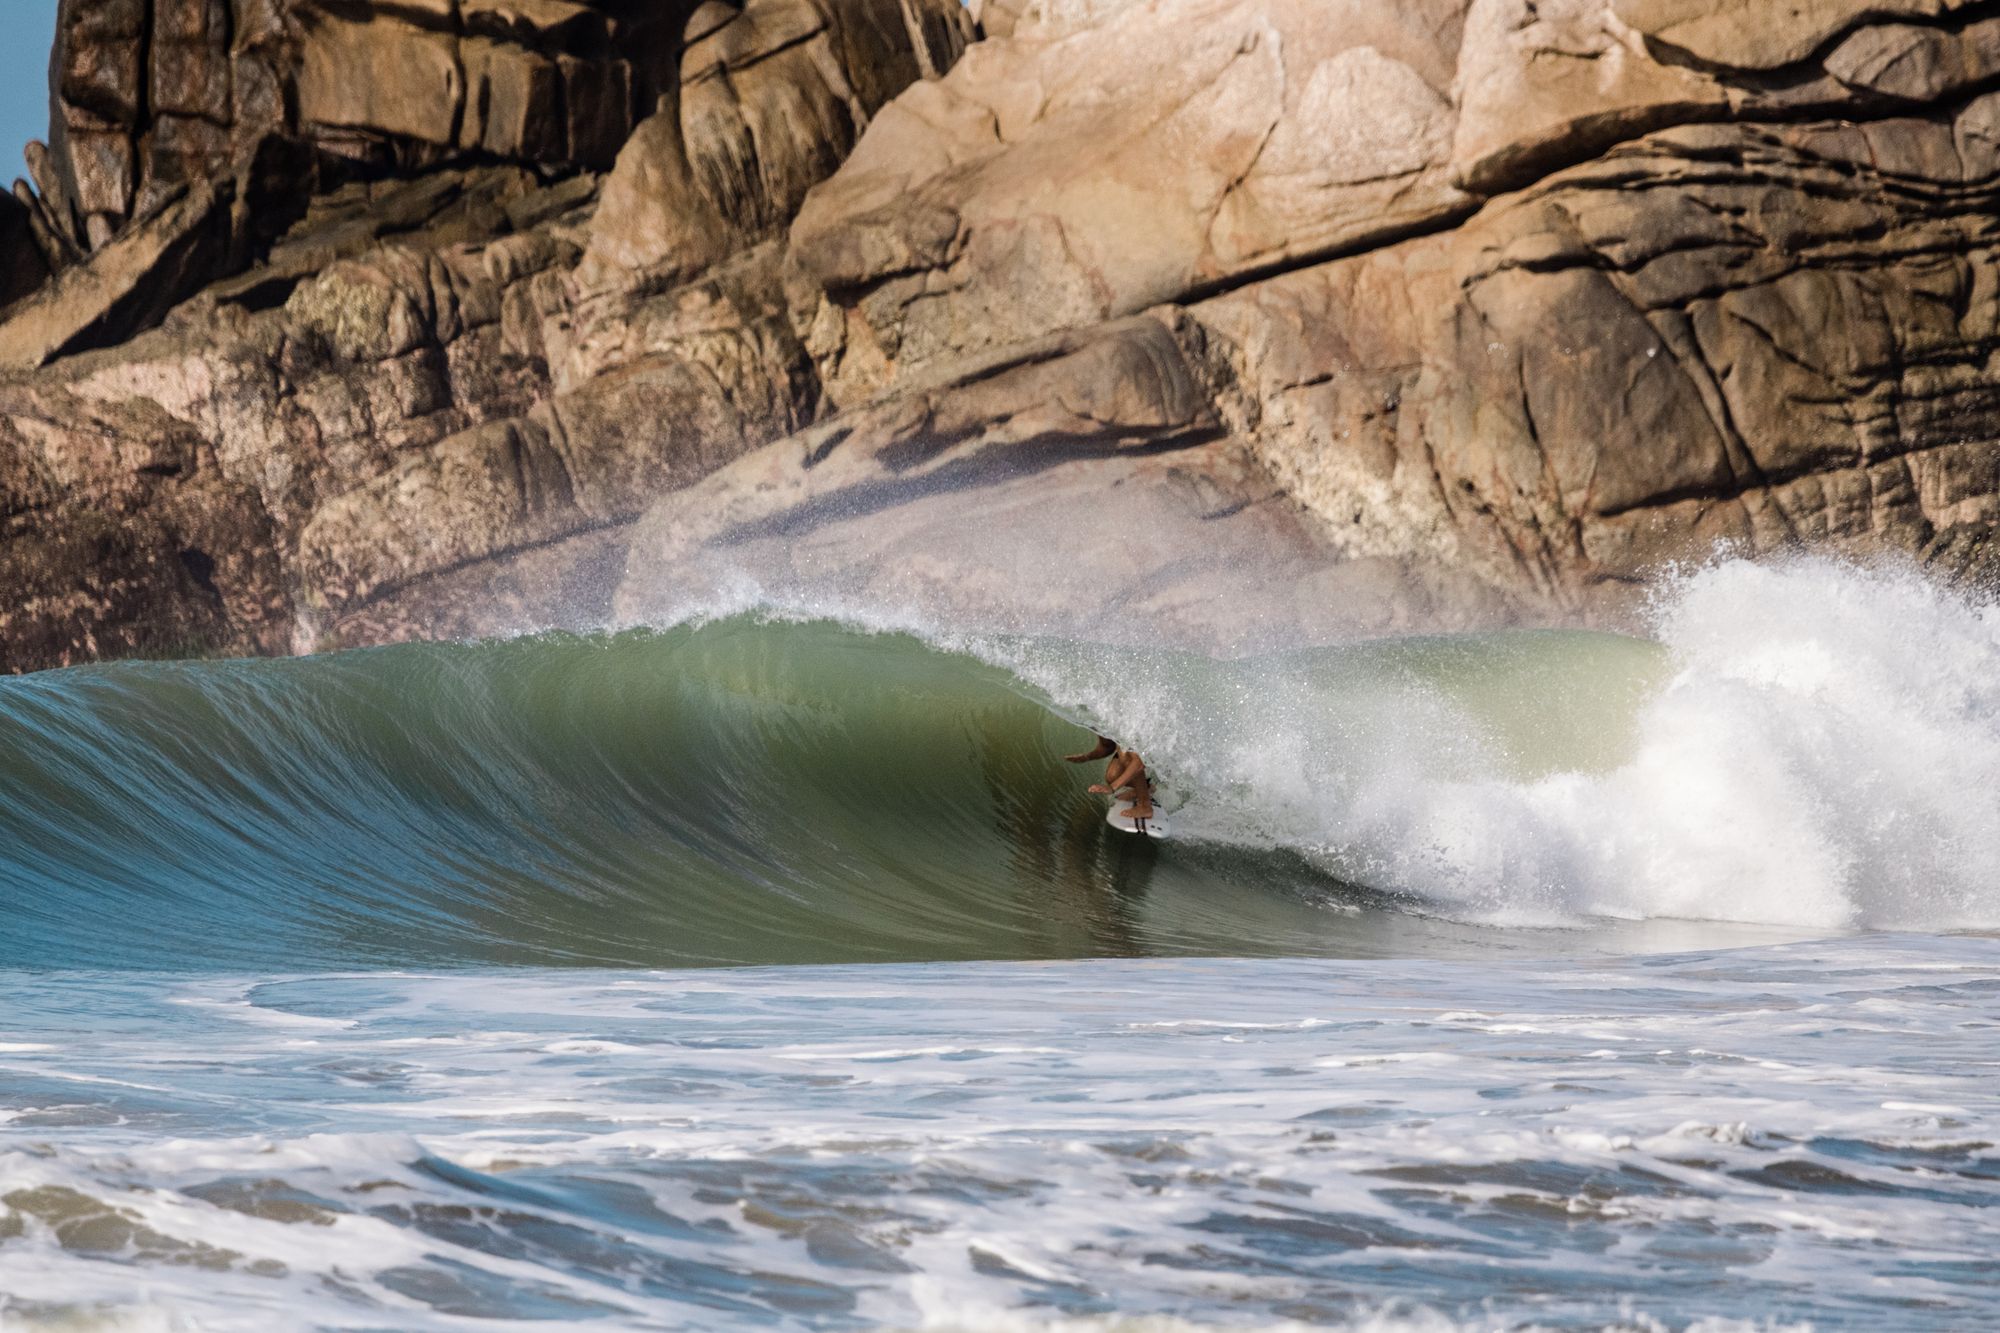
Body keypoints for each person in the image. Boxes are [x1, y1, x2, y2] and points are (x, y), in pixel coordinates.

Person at [1064, 734, 1155, 820]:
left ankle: (1145, 805)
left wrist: (1112, 787)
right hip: (1142, 754)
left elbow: (1139, 763)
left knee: (1125, 753)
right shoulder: (1102, 719)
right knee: (1112, 775)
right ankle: (1145, 787)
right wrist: (1086, 757)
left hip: (1160, 755)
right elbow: (1107, 747)